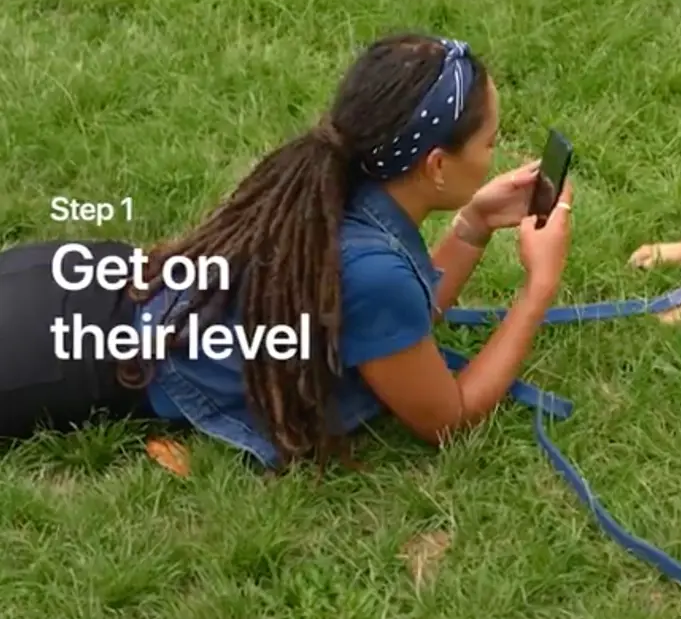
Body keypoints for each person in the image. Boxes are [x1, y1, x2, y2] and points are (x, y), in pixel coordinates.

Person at [0, 32, 574, 471]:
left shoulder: (337, 180)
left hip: (84, 282)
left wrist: (472, 225)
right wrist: (536, 292)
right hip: (61, 360)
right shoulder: (368, 268)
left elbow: (393, 325)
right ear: (437, 166)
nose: (495, 154)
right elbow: (447, 418)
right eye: (490, 142)